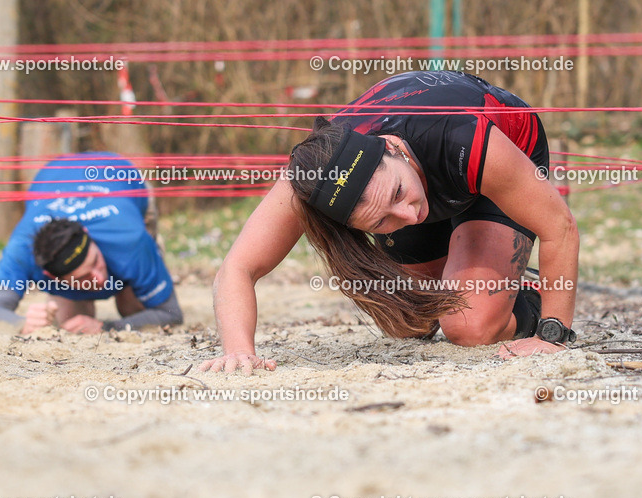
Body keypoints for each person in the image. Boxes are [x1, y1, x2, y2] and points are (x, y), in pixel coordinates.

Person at [201, 71, 578, 374]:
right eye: (381, 220)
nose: (411, 216)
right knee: (408, 320)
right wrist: (239, 352)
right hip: (424, 173)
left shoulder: (460, 136)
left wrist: (553, 332)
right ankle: (469, 261)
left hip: (498, 149)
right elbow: (237, 268)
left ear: (393, 149)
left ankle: (522, 299)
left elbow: (559, 226)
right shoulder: (313, 180)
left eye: (398, 194)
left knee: (470, 326)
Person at [0, 152, 183, 334]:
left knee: (132, 307)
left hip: (121, 175)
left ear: (86, 233)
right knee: (69, 322)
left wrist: (108, 327)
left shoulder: (131, 239)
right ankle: (84, 287)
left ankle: (148, 262)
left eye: (95, 261)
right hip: (53, 174)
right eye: (84, 276)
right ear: (52, 277)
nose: (99, 277)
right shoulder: (21, 249)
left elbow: (171, 314)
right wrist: (22, 323)